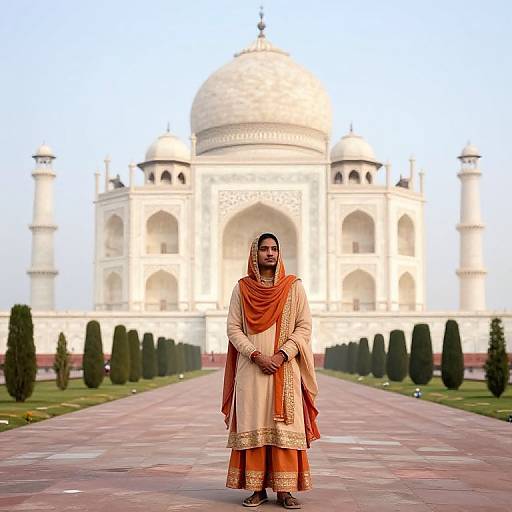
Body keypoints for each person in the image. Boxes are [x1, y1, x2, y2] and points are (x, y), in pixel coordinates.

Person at [222, 233, 319, 509]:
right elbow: (233, 328)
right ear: (255, 254)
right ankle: (256, 489)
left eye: (274, 248)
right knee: (254, 427)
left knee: (284, 428)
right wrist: (256, 355)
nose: (269, 253)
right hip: (251, 370)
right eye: (264, 249)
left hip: (285, 370)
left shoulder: (293, 288)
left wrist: (281, 354)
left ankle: (285, 490)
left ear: (279, 253)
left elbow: (304, 326)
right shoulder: (241, 289)